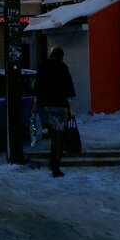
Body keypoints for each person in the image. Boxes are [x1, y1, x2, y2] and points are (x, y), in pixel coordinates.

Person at [33, 46, 76, 178]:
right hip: (61, 105)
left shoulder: (43, 66)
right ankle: (55, 166)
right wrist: (71, 108)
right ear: (61, 56)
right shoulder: (63, 67)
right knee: (59, 136)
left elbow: (37, 87)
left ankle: (53, 162)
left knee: (54, 134)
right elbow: (68, 88)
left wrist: (35, 104)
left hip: (48, 105)